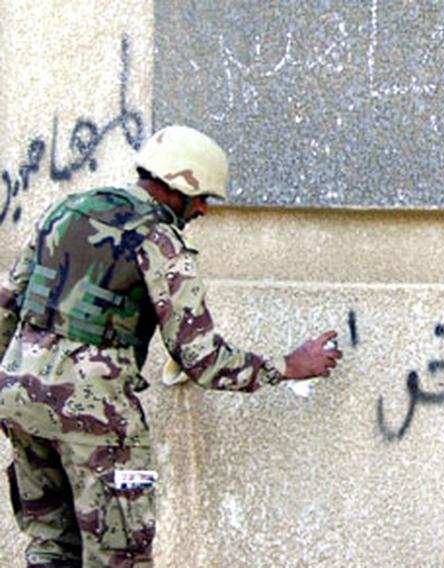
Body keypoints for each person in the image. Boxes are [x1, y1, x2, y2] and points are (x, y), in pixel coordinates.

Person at [0, 125, 343, 566]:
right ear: (179, 186)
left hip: (19, 399)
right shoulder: (159, 241)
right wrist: (288, 366)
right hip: (93, 413)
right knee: (119, 554)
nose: (202, 209)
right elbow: (203, 359)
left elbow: (8, 306)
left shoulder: (66, 210)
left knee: (51, 548)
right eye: (202, 198)